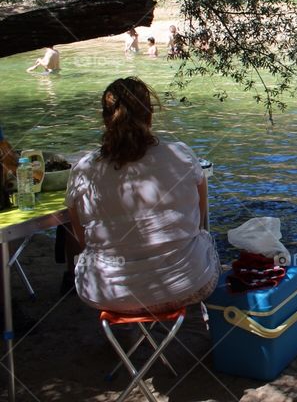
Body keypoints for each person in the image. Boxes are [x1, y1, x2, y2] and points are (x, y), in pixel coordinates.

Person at [66, 77, 219, 314]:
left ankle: (124, 337)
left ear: (105, 118)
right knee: (205, 239)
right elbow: (199, 219)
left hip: (106, 294)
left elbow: (81, 238)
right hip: (187, 286)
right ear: (149, 115)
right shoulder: (181, 155)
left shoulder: (84, 168)